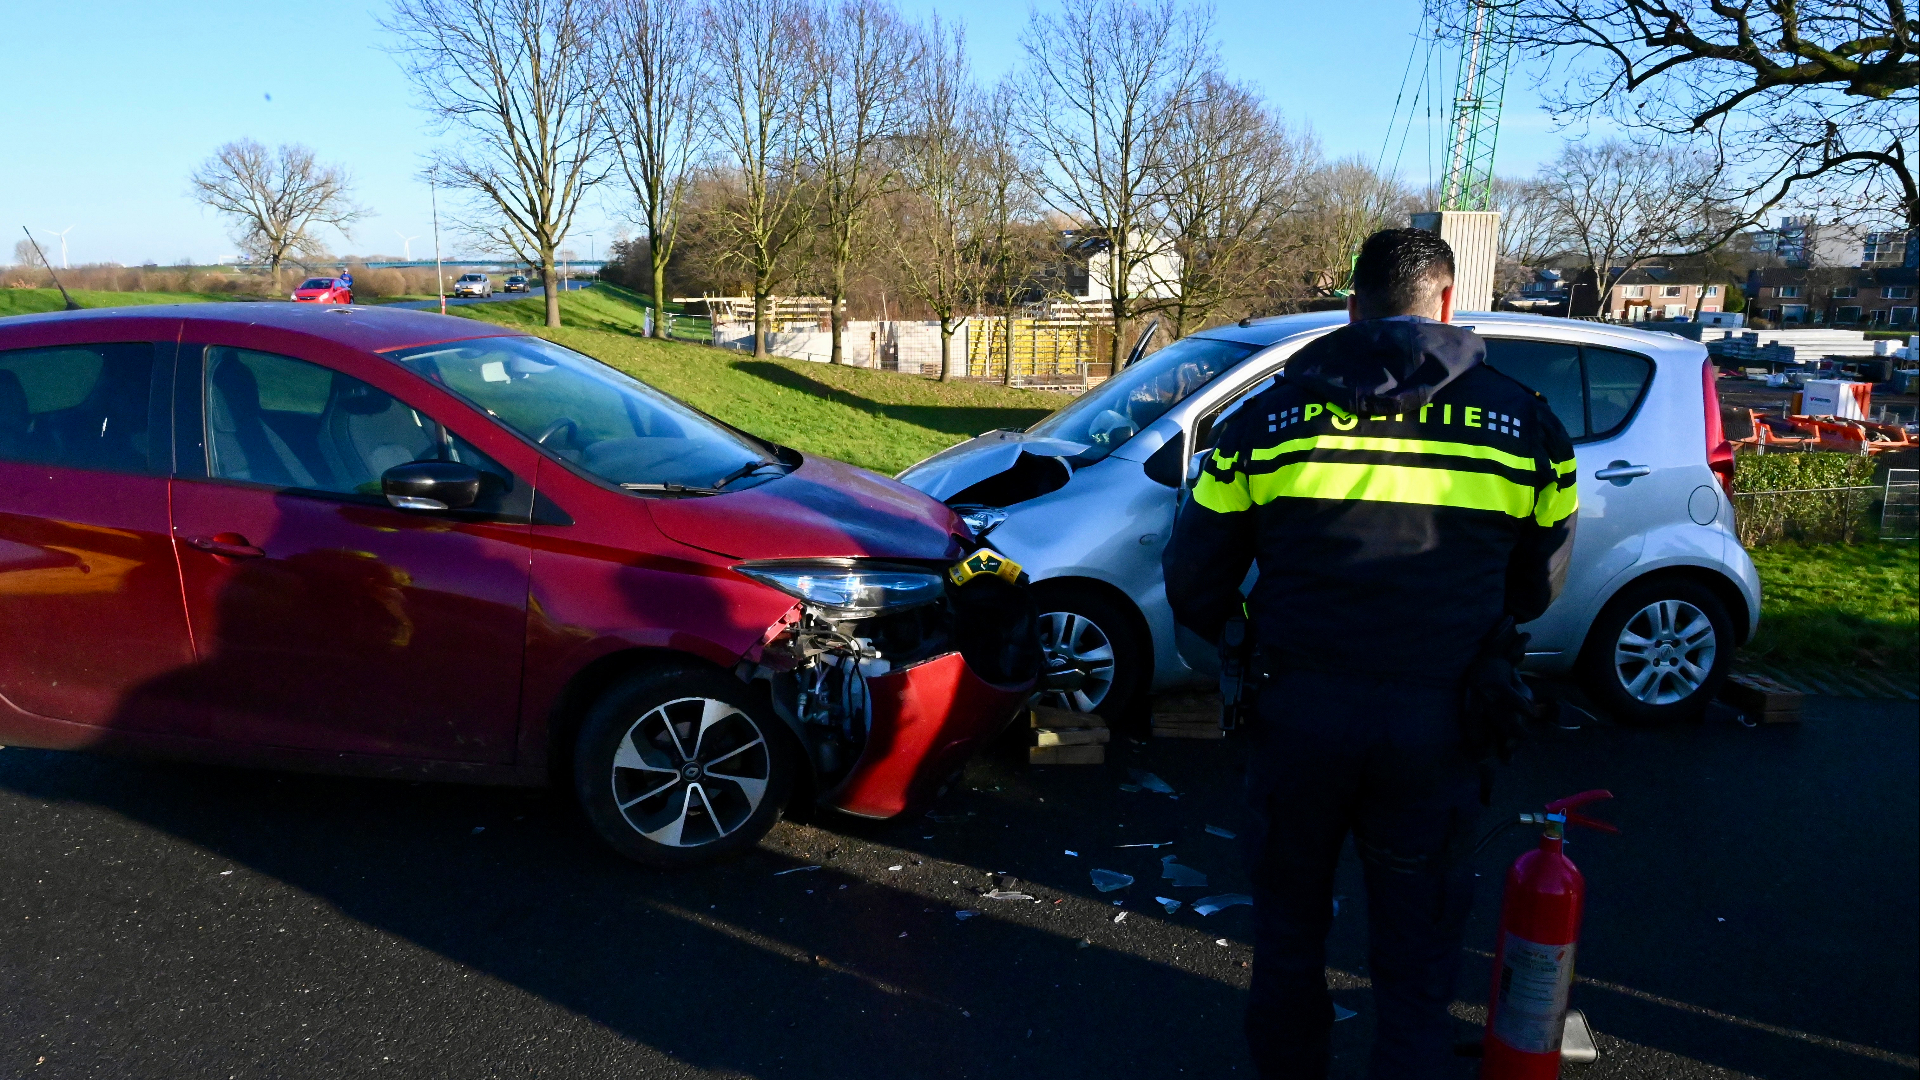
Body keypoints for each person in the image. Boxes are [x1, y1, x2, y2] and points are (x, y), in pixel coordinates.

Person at [1163, 227, 1577, 1078]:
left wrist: (1250, 637)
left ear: (1352, 308)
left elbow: (1193, 580)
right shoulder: (1527, 426)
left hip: (1297, 717)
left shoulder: (1261, 422)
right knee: (1419, 964)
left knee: (1287, 945)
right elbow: (1537, 589)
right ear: (1449, 305)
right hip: (1440, 724)